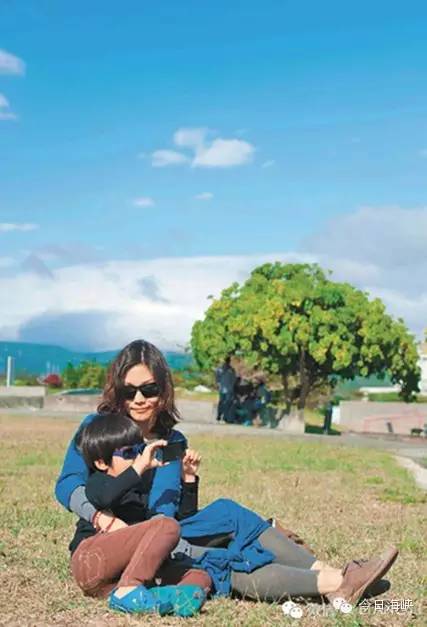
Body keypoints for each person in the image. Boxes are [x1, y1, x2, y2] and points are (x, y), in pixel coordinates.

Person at [56, 339, 398, 607]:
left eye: (149, 389)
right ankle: (339, 582)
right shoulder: (100, 429)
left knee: (227, 512)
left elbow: (167, 513)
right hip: (114, 539)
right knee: (223, 560)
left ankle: (333, 575)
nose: (139, 399)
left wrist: (189, 483)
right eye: (129, 391)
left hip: (160, 531)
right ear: (117, 391)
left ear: (163, 390)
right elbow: (68, 484)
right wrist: (101, 518)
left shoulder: (172, 441)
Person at [69, 413, 210, 617]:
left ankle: (165, 598)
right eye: (128, 453)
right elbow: (106, 497)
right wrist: (139, 467)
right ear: (101, 463)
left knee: (199, 575)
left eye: (139, 450)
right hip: (90, 561)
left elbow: (183, 519)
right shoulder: (98, 482)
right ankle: (129, 589)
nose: (138, 458)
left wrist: (188, 479)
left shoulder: (141, 489)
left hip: (119, 575)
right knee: (166, 525)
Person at [215, 357, 236, 422]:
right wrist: (219, 384)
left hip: (226, 388)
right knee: (224, 402)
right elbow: (217, 378)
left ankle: (222, 415)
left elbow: (233, 379)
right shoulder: (222, 369)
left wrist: (218, 384)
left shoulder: (230, 369)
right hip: (225, 388)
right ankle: (221, 415)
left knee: (224, 402)